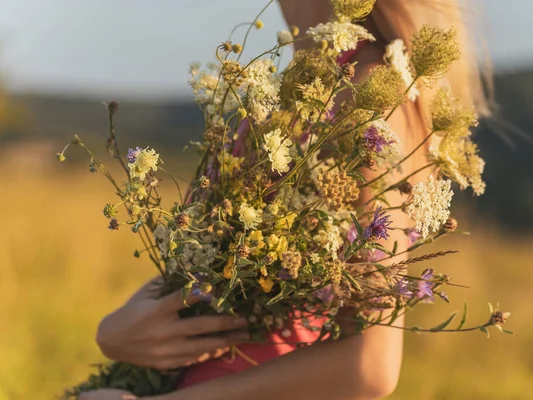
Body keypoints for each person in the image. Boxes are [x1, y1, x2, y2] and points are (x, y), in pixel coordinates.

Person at [81, 0, 489, 399]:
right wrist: (119, 331)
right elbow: (233, 263)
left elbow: (369, 365)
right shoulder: (308, 78)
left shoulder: (367, 91)